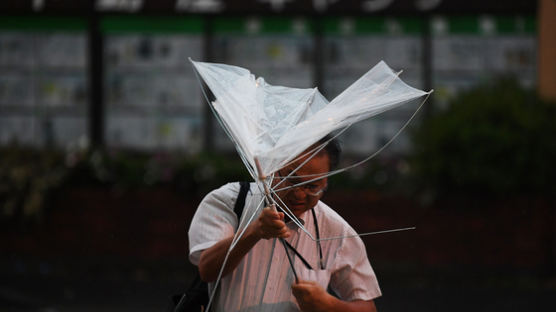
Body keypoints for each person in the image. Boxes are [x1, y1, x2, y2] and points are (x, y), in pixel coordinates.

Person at [188, 137, 381, 312]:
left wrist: (329, 305)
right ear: (272, 168)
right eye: (291, 180)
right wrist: (254, 231)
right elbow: (207, 270)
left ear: (326, 182)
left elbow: (367, 307)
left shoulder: (336, 231)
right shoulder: (229, 202)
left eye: (312, 186)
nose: (299, 194)